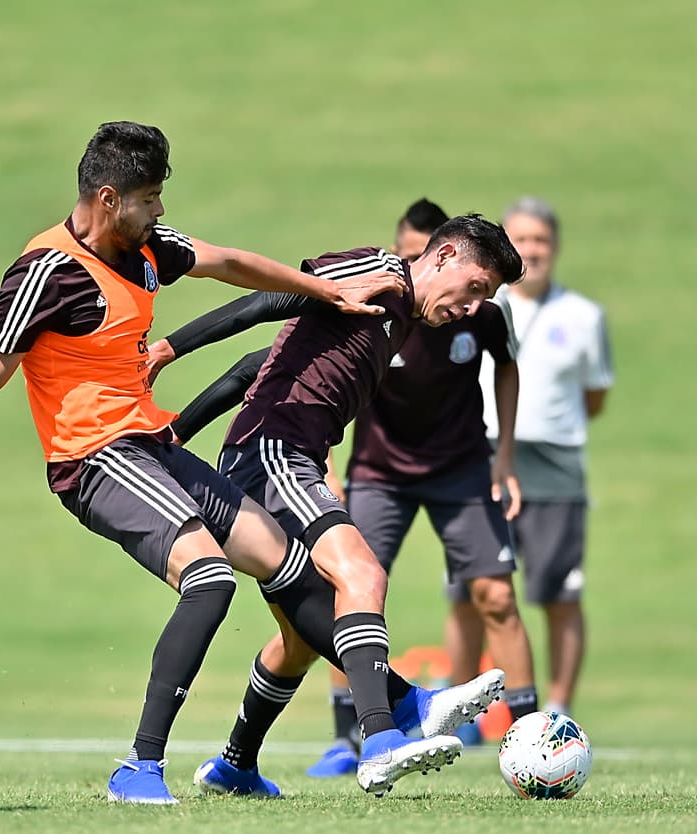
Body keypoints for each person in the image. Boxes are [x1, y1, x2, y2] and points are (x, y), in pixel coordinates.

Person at [0, 121, 472, 805]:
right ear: (108, 199)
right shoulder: (45, 272)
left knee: (284, 560)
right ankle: (139, 767)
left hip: (149, 445)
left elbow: (228, 261)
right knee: (209, 577)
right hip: (92, 457)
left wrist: (324, 292)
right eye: (150, 197)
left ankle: (397, 704)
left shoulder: (145, 249)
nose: (161, 211)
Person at [149, 214, 524, 797]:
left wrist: (179, 431)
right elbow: (267, 301)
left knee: (301, 639)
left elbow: (260, 365)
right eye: (476, 287)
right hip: (272, 452)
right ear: (445, 255)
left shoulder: (399, 321)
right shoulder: (379, 272)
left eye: (487, 299)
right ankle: (382, 736)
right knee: (362, 572)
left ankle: (234, 767)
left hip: (273, 454)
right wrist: (169, 349)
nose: (474, 307)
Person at [295, 199, 538, 776]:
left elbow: (507, 366)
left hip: (461, 468)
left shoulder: (476, 312)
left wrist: (504, 457)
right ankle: (345, 735)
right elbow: (318, 378)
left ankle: (531, 733)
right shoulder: (377, 304)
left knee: (498, 597)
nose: (407, 266)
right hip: (379, 473)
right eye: (404, 252)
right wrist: (325, 466)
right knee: (350, 586)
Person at [447, 197, 613, 719]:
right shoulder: (474, 303)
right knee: (471, 588)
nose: (533, 250)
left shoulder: (584, 316)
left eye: (541, 239)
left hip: (555, 461)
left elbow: (595, 397)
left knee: (559, 591)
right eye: (522, 239)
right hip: (480, 451)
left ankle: (558, 708)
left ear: (555, 246)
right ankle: (462, 707)